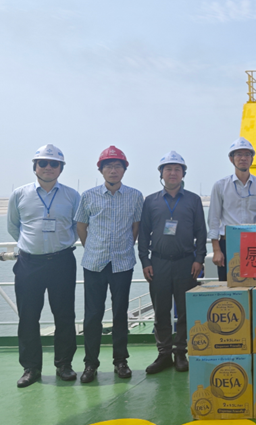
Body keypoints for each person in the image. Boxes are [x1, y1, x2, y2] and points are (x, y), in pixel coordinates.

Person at [7, 144, 80, 387]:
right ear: (35, 166)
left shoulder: (72, 196)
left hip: (62, 261)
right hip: (30, 263)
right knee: (28, 317)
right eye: (43, 163)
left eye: (54, 163)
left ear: (61, 168)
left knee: (65, 315)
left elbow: (76, 227)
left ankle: (64, 365)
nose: (48, 167)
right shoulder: (20, 194)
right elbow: (13, 226)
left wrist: (60, 244)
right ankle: (31, 368)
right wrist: (32, 246)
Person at [75, 146, 143, 383]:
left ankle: (120, 361)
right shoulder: (88, 196)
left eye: (117, 166)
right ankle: (90, 364)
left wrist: (124, 248)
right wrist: (93, 248)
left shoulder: (135, 196)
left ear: (124, 170)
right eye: (108, 166)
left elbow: (136, 227)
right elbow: (81, 226)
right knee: (92, 315)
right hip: (94, 263)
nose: (113, 170)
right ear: (101, 170)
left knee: (120, 314)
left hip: (122, 264)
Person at [138, 151, 207, 374]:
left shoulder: (193, 200)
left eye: (177, 169)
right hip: (158, 263)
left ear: (183, 173)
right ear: (161, 173)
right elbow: (143, 233)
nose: (173, 173)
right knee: (161, 310)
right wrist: (145, 261)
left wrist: (199, 259)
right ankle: (164, 353)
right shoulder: (151, 201)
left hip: (185, 262)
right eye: (168, 169)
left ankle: (180, 352)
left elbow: (201, 232)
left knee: (185, 310)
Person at [207, 138, 256, 281]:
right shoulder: (220, 185)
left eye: (247, 154)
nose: (243, 158)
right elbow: (213, 219)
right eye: (239, 154)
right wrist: (216, 250)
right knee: (229, 287)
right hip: (228, 243)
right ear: (231, 159)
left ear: (252, 159)